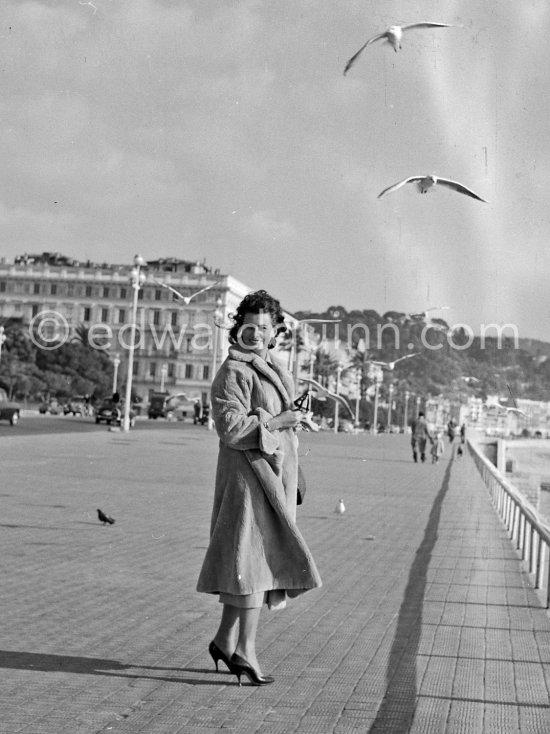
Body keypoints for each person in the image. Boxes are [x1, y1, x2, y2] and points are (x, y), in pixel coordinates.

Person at [196, 290, 322, 686]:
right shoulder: (233, 371)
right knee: (253, 567)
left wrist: (293, 423)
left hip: (271, 476)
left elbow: (277, 421)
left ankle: (223, 640)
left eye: (264, 327)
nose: (255, 333)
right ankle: (244, 652)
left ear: (274, 333)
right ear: (238, 328)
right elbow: (231, 428)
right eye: (249, 325)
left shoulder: (273, 367)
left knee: (250, 563)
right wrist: (280, 422)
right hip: (247, 477)